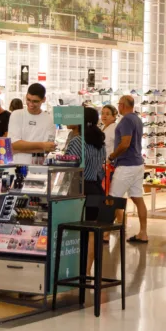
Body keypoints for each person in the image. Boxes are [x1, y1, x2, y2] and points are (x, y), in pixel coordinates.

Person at [65, 107, 109, 276]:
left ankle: (77, 270)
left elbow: (70, 167)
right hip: (97, 189)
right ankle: (87, 271)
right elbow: (100, 171)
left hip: (81, 190)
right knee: (92, 234)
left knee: (79, 232)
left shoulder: (77, 141)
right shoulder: (99, 143)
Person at [110, 95, 150, 244]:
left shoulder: (126, 120)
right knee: (137, 198)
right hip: (138, 164)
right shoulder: (137, 119)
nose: (118, 106)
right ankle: (143, 233)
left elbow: (125, 143)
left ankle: (106, 234)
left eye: (119, 104)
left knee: (112, 199)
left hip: (126, 165)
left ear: (123, 105)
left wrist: (112, 156)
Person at [7, 84, 56, 165]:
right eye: (28, 99)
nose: (31, 104)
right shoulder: (16, 114)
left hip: (38, 168)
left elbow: (48, 148)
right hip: (15, 166)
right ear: (26, 96)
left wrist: (19, 149)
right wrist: (42, 145)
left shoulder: (49, 120)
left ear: (43, 99)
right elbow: (13, 144)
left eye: (35, 101)